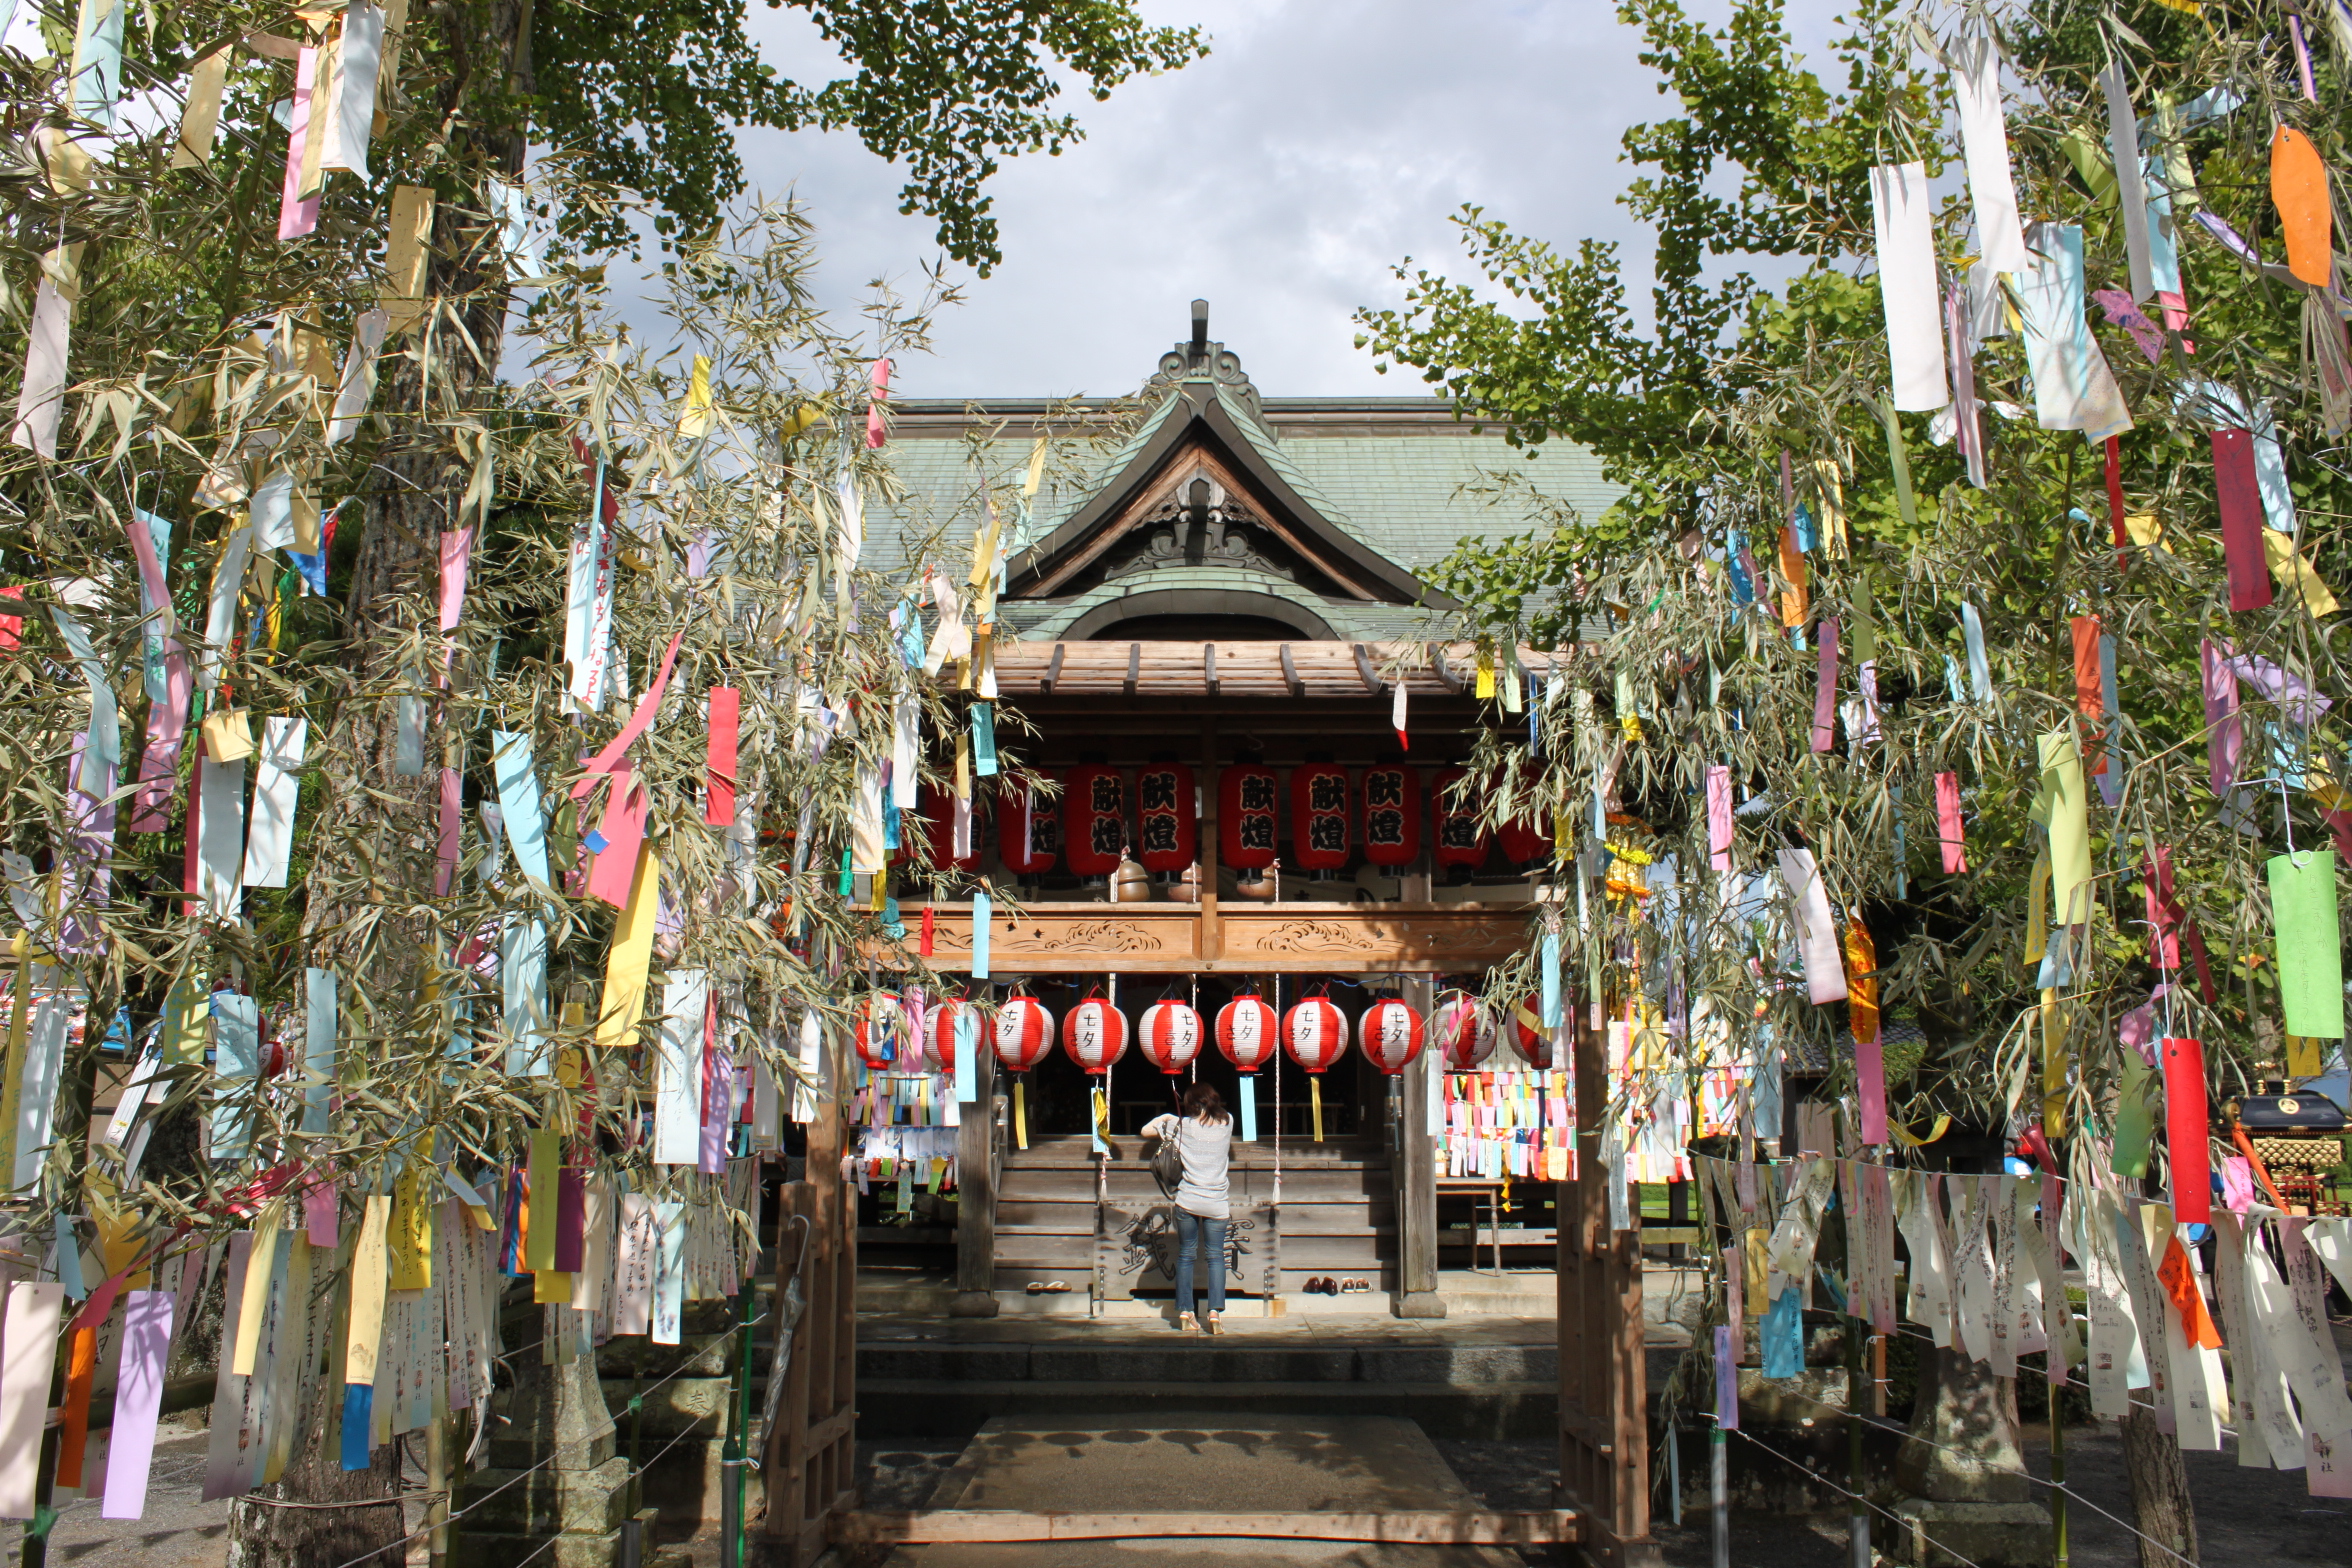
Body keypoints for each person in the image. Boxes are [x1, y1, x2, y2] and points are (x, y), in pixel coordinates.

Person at [1143, 1083, 1233, 1333]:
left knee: (1186, 1255)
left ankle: (1185, 1311)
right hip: (1217, 1202)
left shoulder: (1180, 1125)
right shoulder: (1228, 1122)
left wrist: (1167, 1118)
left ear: (1189, 1104)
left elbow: (1145, 1131)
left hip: (1187, 1200)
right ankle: (1214, 1313)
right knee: (1216, 1257)